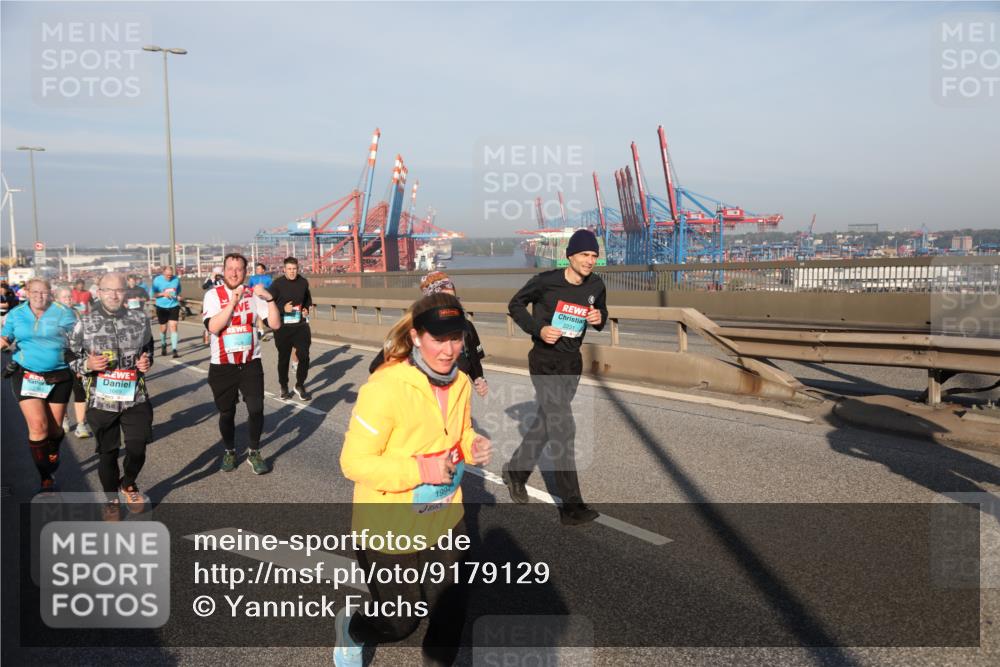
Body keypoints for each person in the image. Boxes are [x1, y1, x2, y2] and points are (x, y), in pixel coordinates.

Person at [336, 293, 492, 667]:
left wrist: (472, 446)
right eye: (438, 339)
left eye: (456, 338)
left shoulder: (460, 383)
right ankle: (354, 629)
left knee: (450, 614)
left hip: (445, 517)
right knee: (400, 623)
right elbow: (353, 463)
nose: (449, 350)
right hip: (388, 524)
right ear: (416, 337)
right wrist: (421, 471)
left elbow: (457, 434)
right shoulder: (385, 387)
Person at [502, 229, 608, 526]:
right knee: (563, 427)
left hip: (571, 364)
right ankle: (571, 507)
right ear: (570, 256)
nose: (590, 261)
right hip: (544, 362)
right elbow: (515, 305)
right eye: (584, 255)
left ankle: (515, 472)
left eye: (594, 256)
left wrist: (599, 317)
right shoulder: (546, 281)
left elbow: (601, 312)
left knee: (547, 422)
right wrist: (539, 329)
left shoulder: (596, 285)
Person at [67, 273, 154, 521]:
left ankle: (128, 483)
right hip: (101, 399)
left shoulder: (140, 319)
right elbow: (69, 354)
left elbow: (148, 348)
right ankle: (111, 500)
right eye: (108, 290)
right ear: (99, 292)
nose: (114, 295)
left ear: (126, 292)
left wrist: (146, 361)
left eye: (119, 290)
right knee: (108, 453)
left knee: (137, 447)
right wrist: (87, 364)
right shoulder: (85, 322)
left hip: (135, 396)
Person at [202, 253, 280, 474]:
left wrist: (269, 299)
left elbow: (275, 324)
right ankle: (229, 451)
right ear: (224, 270)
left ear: (245, 272)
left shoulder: (253, 294)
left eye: (239, 269)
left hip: (250, 362)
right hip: (222, 365)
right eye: (230, 268)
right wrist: (233, 302)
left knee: (256, 408)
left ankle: (254, 452)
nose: (234, 273)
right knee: (227, 413)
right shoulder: (213, 295)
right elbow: (213, 327)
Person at [0, 278, 78, 494]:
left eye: (43, 292)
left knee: (54, 429)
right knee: (37, 426)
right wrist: (3, 342)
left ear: (50, 293)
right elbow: (6, 337)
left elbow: (79, 340)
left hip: (58, 376)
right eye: (34, 292)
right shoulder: (16, 314)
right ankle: (46, 478)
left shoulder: (64, 313)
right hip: (27, 374)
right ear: (26, 292)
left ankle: (53, 449)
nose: (39, 296)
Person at [369, 271, 488, 397]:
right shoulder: (414, 330)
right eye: (438, 340)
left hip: (456, 399)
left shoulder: (466, 327)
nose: (449, 351)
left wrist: (479, 379)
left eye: (454, 299)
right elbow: (376, 367)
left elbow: (474, 361)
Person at [268, 257, 313, 400]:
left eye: (294, 269)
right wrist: (282, 308)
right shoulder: (277, 284)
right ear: (284, 270)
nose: (292, 272)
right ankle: (283, 386)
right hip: (283, 327)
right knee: (284, 359)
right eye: (289, 269)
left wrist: (306, 308)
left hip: (300, 325)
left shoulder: (303, 282)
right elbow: (268, 302)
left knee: (304, 356)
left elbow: (308, 299)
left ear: (297, 269)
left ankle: (300, 385)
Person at [53, 285, 93, 438]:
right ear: (57, 299)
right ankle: (64, 418)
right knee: (61, 391)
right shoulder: (52, 316)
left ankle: (81, 425)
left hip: (76, 356)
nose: (69, 299)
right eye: (65, 297)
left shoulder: (77, 313)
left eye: (70, 296)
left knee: (79, 389)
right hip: (59, 358)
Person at [151, 265, 181, 358]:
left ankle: (174, 350)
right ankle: (163, 344)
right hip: (161, 307)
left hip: (174, 305)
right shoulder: (157, 280)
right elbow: (153, 294)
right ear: (163, 273)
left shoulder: (176, 279)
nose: (169, 277)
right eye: (167, 275)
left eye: (171, 275)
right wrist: (163, 294)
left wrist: (178, 296)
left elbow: (178, 291)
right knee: (163, 329)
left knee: (173, 326)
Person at [248, 263, 273, 341]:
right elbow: (249, 288)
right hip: (255, 298)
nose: (257, 270)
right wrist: (253, 288)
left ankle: (274, 327)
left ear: (263, 270)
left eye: (259, 268)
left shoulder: (268, 278)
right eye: (256, 269)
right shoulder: (252, 278)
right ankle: (261, 331)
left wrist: (264, 288)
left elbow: (272, 288)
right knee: (258, 314)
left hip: (265, 298)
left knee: (268, 313)